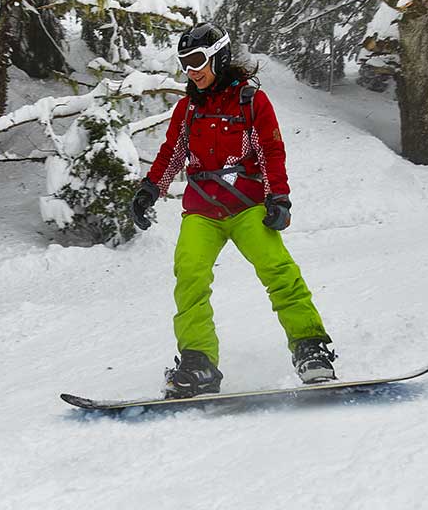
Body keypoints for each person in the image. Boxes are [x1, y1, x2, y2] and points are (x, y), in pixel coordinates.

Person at [130, 22, 336, 399]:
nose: (192, 70)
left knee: (278, 269)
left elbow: (271, 151)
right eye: (185, 63)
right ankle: (199, 363)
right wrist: (149, 190)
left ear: (218, 56)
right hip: (203, 210)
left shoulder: (250, 101)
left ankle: (311, 348)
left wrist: (279, 199)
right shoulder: (188, 107)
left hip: (247, 205)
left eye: (197, 60)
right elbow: (173, 153)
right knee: (189, 273)